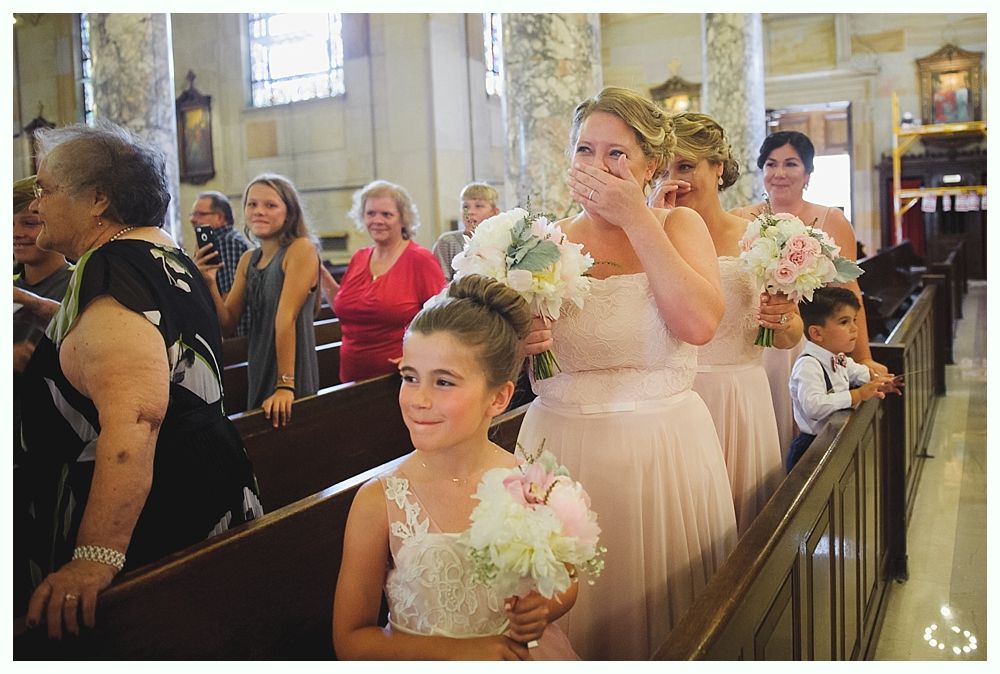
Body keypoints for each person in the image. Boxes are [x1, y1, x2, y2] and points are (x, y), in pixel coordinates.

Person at [15, 122, 262, 637]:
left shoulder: (110, 272)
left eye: (46, 189)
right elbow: (149, 339)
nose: (36, 204)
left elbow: (137, 419)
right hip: (199, 473)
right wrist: (59, 314)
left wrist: (94, 556)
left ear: (98, 200)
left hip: (153, 510)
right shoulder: (159, 252)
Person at [516, 87, 738, 660]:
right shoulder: (544, 242)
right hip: (562, 448)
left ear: (651, 166)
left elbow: (698, 325)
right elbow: (502, 356)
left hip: (662, 450)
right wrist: (521, 342)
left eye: (616, 154)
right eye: (585, 150)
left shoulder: (679, 225)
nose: (597, 167)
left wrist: (640, 220)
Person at [333, 274, 578, 660]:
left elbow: (565, 578)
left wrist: (544, 607)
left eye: (443, 382)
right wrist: (463, 652)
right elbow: (351, 640)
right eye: (409, 378)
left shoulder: (529, 482)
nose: (419, 399)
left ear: (498, 398)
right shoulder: (378, 501)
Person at [648, 112, 798, 536]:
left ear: (718, 168)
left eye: (686, 166)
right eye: (664, 170)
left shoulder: (760, 235)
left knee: (746, 528)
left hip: (739, 397)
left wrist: (782, 320)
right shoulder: (647, 238)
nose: (674, 181)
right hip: (671, 399)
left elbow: (790, 336)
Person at [731, 130, 890, 462]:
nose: (780, 173)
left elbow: (849, 296)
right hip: (755, 342)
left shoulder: (830, 220)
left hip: (808, 345)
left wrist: (864, 358)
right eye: (771, 163)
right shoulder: (740, 219)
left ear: (807, 173)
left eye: (791, 163)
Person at [194, 174, 320, 423]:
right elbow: (227, 324)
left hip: (291, 370)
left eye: (270, 205)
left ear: (289, 212)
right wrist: (208, 281)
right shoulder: (248, 260)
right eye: (252, 204)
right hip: (259, 362)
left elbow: (286, 317)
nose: (259, 211)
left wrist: (285, 385)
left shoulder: (301, 249)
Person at [13, 175, 74, 614]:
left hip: (51, 452)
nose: (17, 231)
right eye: (10, 221)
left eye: (31, 221)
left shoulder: (77, 288)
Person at [332, 180, 446, 383]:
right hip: (350, 376)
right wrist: (322, 274)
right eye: (371, 213)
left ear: (403, 218)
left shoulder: (420, 259)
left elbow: (442, 318)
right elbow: (342, 305)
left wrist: (417, 357)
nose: (377, 220)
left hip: (399, 377)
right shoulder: (359, 258)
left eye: (387, 214)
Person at [788, 287, 900, 472]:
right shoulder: (809, 365)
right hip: (811, 448)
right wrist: (857, 394)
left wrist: (879, 382)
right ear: (817, 333)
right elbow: (813, 406)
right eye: (844, 322)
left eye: (854, 320)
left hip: (832, 438)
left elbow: (858, 372)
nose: (854, 328)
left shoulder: (838, 357)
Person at [189, 190, 252, 336]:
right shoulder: (228, 239)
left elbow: (228, 296)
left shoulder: (225, 242)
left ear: (219, 217)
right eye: (192, 214)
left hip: (236, 335)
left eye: (200, 214)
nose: (193, 219)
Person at [432, 182, 500, 280]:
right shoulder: (447, 242)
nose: (470, 212)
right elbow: (440, 284)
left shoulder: (502, 242)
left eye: (479, 206)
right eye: (466, 207)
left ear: (494, 212)